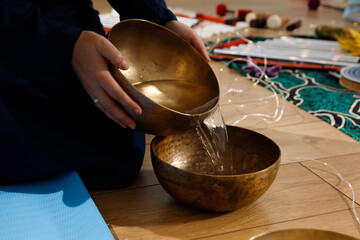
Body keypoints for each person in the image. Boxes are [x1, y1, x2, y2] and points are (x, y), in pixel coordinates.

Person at [0, 0, 210, 189]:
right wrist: (66, 46)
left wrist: (159, 19)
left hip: (77, 28)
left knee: (120, 142)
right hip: (13, 36)